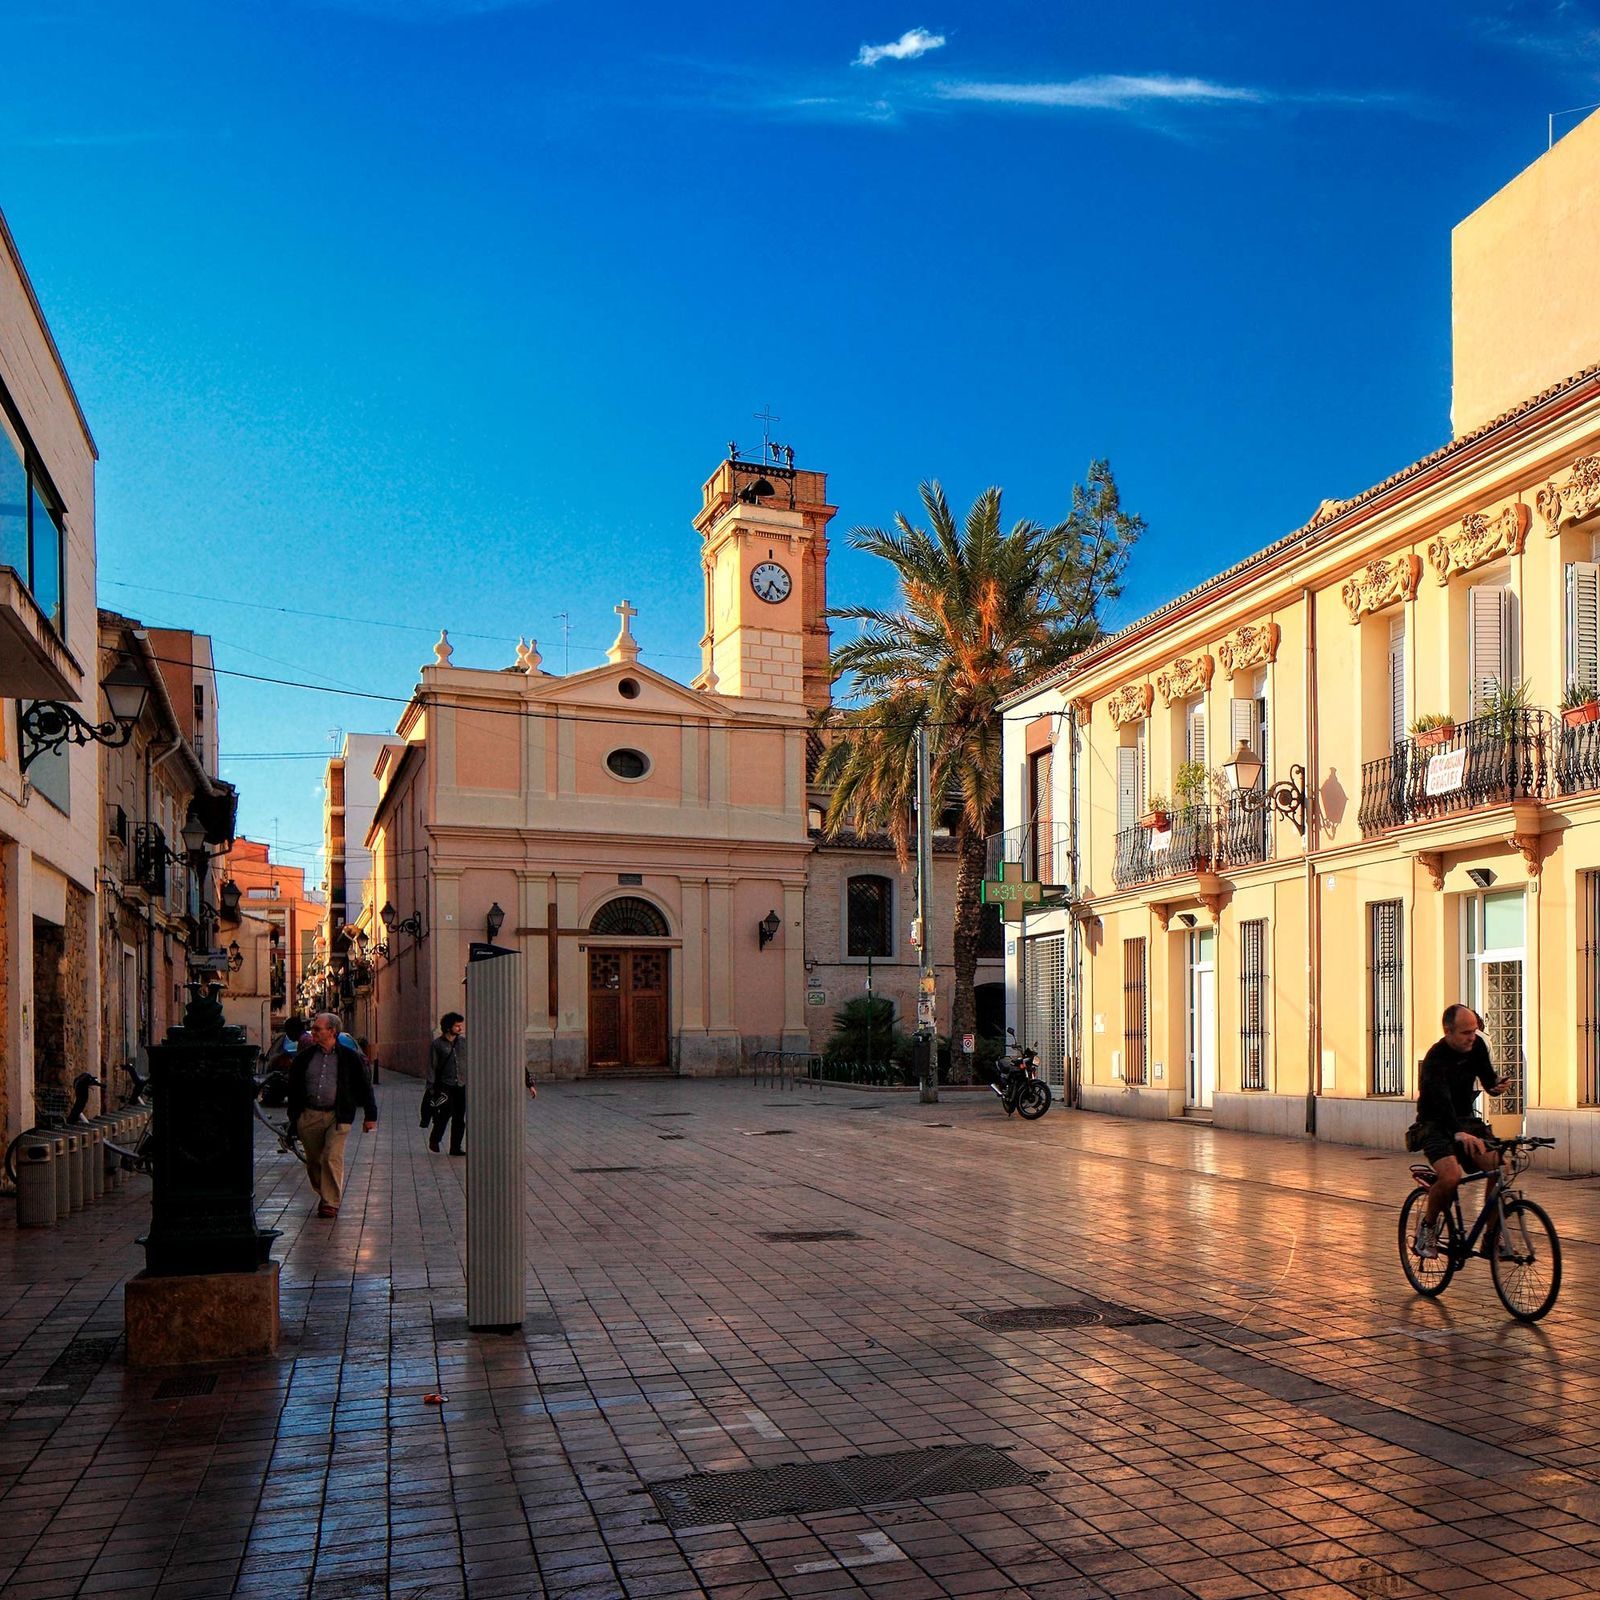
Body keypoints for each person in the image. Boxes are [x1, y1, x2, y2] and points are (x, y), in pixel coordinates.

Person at [1411, 1003, 1508, 1259]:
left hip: (1465, 1122)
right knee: (1451, 1176)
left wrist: (1495, 1085)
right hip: (1434, 1125)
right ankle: (1427, 1230)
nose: (1472, 1037)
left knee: (1499, 1168)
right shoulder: (1435, 1059)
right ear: (1448, 1031)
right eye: (1466, 1032)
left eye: (1474, 1031)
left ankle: (1490, 1238)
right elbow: (1441, 1102)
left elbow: (1487, 1077)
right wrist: (1457, 1133)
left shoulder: (1476, 1047)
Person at [286, 1011, 377, 1218]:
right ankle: (324, 1193)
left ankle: (330, 1202)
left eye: (318, 1029)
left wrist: (370, 1116)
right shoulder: (304, 1058)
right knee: (314, 1161)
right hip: (309, 1116)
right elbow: (293, 1088)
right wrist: (295, 1117)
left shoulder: (350, 1058)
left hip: (338, 1116)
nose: (313, 1032)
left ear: (332, 1031)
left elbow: (365, 1087)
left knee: (331, 1157)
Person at [428, 1012, 467, 1156]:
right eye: (457, 1025)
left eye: (460, 1025)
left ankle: (455, 1147)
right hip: (445, 1085)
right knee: (444, 1115)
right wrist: (431, 1087)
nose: (460, 1028)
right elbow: (432, 1066)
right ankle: (435, 1139)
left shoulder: (463, 1043)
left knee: (459, 1118)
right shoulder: (437, 1044)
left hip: (461, 1085)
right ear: (448, 1027)